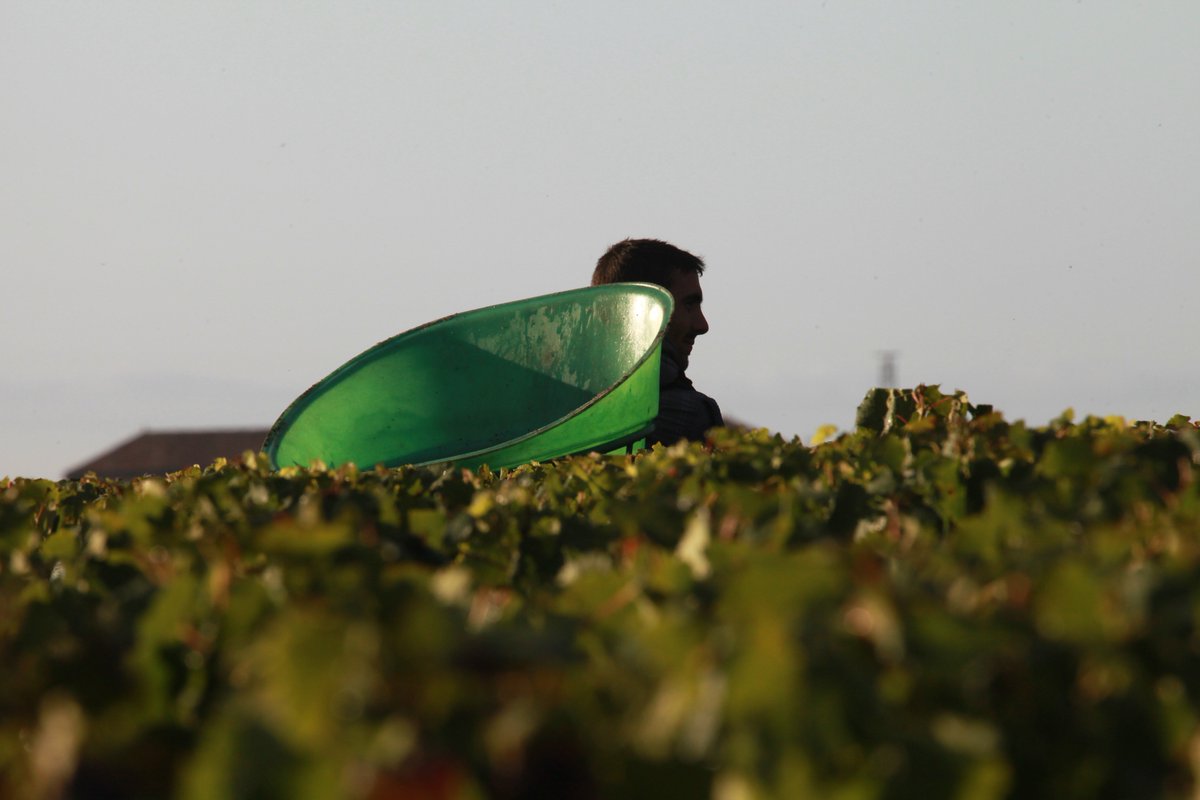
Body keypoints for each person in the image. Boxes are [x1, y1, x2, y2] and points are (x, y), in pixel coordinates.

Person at [591, 238, 724, 446]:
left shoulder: (553, 409)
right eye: (689, 304)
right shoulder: (691, 413)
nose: (702, 325)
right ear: (643, 310)